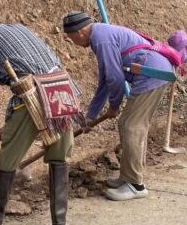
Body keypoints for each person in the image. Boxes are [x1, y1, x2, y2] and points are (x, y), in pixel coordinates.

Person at [0, 5, 78, 225]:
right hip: (61, 91)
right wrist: (11, 122)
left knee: (8, 160)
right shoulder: (19, 28)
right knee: (59, 157)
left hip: (32, 95)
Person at [63, 12, 172, 201]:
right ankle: (128, 178)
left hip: (152, 75)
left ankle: (135, 185)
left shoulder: (101, 40)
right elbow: (105, 79)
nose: (74, 43)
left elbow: (115, 78)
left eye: (72, 39)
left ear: (79, 32)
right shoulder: (101, 36)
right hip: (153, 73)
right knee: (131, 125)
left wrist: (114, 105)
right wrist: (92, 114)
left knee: (131, 126)